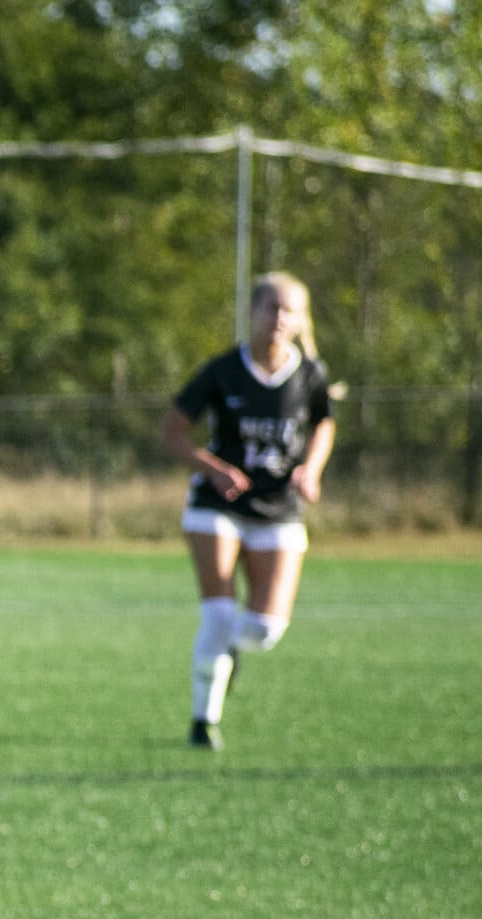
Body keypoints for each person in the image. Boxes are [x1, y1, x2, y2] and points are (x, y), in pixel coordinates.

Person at [159, 271, 337, 750]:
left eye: (289, 310)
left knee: (263, 629)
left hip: (279, 508)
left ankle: (229, 654)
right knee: (217, 617)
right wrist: (210, 467)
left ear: (301, 321)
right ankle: (203, 721)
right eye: (270, 308)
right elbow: (173, 430)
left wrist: (311, 470)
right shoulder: (223, 370)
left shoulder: (310, 375)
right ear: (252, 313)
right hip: (217, 505)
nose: (279, 318)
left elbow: (323, 425)